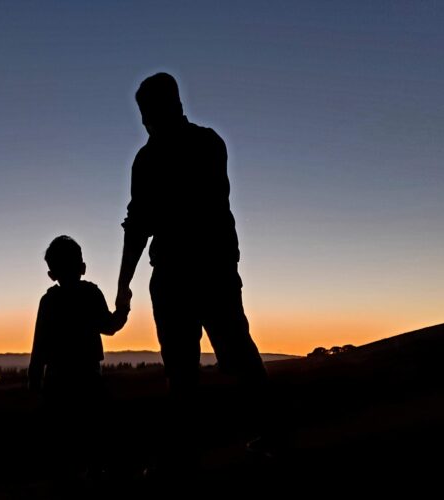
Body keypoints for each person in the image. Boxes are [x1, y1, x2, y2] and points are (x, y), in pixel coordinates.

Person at [115, 72, 266, 394]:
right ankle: (266, 434)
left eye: (147, 115)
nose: (145, 123)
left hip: (190, 273)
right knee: (224, 359)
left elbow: (139, 225)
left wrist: (124, 284)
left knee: (199, 366)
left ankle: (257, 434)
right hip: (207, 270)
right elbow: (141, 222)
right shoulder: (207, 144)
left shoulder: (154, 158)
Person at [29, 235, 129, 479]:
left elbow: (39, 344)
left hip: (57, 380)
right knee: (95, 432)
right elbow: (110, 326)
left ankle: (67, 479)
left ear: (51, 274)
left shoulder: (48, 301)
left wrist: (35, 378)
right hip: (88, 376)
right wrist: (124, 308)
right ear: (82, 267)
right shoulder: (91, 294)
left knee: (63, 437)